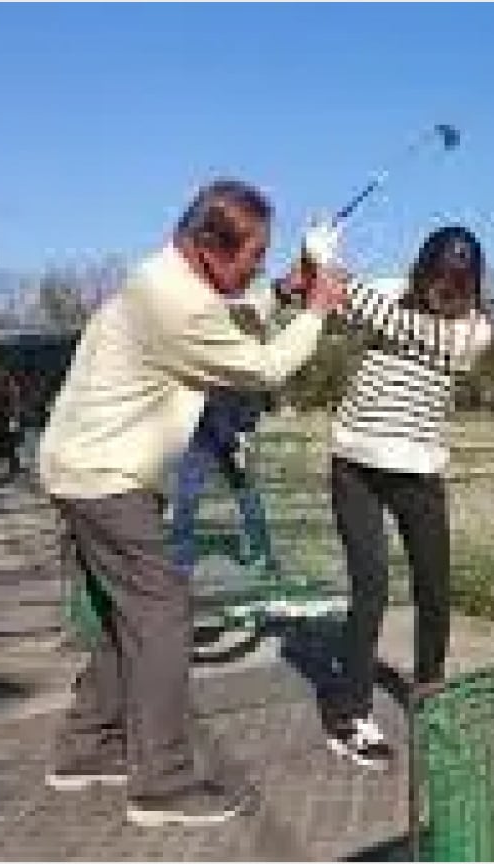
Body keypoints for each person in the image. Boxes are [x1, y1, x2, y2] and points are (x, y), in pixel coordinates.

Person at [36, 179, 346, 827]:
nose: (260, 265)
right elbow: (260, 367)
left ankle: (86, 748)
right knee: (163, 614)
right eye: (253, 255)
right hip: (105, 478)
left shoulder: (165, 279)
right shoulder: (176, 305)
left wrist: (278, 295)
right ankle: (162, 785)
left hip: (82, 470)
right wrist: (315, 308)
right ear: (208, 244)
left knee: (126, 614)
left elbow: (222, 317)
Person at [302, 223, 494, 771]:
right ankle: (351, 717)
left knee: (435, 591)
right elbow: (330, 299)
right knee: (372, 589)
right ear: (424, 270)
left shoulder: (473, 333)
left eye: (459, 286)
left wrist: (330, 263)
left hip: (418, 472)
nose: (447, 294)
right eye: (441, 280)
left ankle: (430, 694)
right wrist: (313, 261)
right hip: (356, 465)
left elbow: (390, 320)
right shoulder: (388, 290)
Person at [169, 295, 279, 576]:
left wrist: (244, 432)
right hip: (203, 435)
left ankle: (262, 555)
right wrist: (233, 436)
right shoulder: (215, 358)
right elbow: (209, 400)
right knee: (187, 495)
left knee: (247, 494)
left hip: (233, 433)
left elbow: (261, 400)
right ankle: (180, 559)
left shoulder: (257, 362)